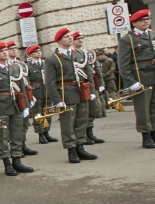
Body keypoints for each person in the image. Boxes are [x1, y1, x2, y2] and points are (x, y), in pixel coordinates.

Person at [117, 10, 155, 148]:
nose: (146, 22)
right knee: (143, 108)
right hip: (141, 77)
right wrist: (130, 82)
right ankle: (146, 136)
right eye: (142, 20)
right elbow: (123, 63)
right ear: (134, 22)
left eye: (148, 19)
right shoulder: (128, 39)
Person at [44, 28, 98, 164]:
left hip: (81, 90)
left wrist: (91, 90)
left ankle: (80, 146)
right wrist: (56, 100)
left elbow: (88, 74)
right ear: (59, 40)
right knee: (68, 123)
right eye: (67, 37)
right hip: (66, 93)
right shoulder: (53, 59)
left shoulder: (79, 54)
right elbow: (50, 82)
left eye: (70, 36)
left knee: (81, 120)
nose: (70, 38)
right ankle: (71, 149)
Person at [0, 42, 33, 176]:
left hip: (16, 104)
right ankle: (7, 163)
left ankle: (17, 160)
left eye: (6, 50)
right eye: (1, 51)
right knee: (3, 136)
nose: (5, 52)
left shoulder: (15, 68)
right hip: (2, 107)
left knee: (17, 134)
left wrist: (25, 106)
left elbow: (22, 87)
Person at [71, 32, 105, 145]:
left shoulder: (88, 52)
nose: (80, 40)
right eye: (78, 39)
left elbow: (95, 69)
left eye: (81, 38)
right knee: (80, 113)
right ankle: (81, 135)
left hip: (89, 85)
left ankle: (90, 133)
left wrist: (101, 83)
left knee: (91, 109)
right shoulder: (70, 53)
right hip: (78, 86)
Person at [6, 42, 39, 156]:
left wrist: (31, 96)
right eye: (11, 48)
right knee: (13, 124)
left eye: (15, 48)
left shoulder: (22, 65)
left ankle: (23, 144)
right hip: (11, 96)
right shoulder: (6, 65)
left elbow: (27, 81)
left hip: (23, 95)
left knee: (24, 122)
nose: (14, 50)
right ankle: (14, 147)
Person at [26, 45, 58, 144]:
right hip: (36, 90)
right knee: (38, 113)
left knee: (48, 112)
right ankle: (40, 134)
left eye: (39, 51)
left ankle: (47, 132)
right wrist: (30, 94)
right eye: (36, 51)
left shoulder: (45, 63)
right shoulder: (28, 66)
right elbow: (27, 81)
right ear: (30, 54)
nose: (39, 52)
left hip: (46, 90)